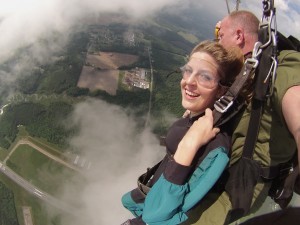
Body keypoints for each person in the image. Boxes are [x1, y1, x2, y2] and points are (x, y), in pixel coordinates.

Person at [182, 10, 300, 225]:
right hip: (220, 171)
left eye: (220, 36)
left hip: (242, 186)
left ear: (238, 36)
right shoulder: (246, 69)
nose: (217, 41)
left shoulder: (280, 69)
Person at [121, 40, 244, 225]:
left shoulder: (215, 147)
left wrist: (190, 143)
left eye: (205, 77)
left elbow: (155, 217)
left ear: (221, 90)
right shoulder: (197, 119)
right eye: (188, 70)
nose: (189, 82)